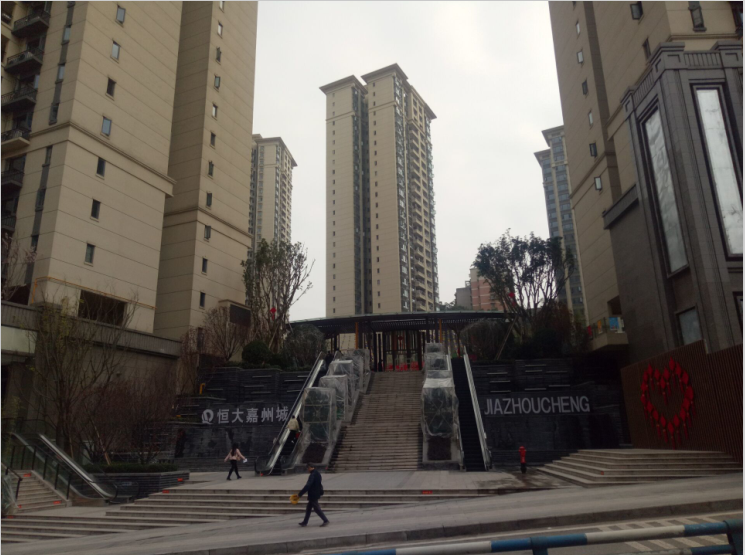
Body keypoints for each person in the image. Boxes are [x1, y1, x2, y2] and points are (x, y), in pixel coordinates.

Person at [297, 462, 329, 527]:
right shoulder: (317, 473)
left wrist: (300, 494)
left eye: (307, 468)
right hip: (316, 492)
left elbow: (308, 485)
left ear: (309, 468)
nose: (307, 470)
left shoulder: (312, 475)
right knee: (308, 508)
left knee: (317, 508)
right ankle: (305, 522)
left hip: (313, 494)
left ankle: (325, 520)